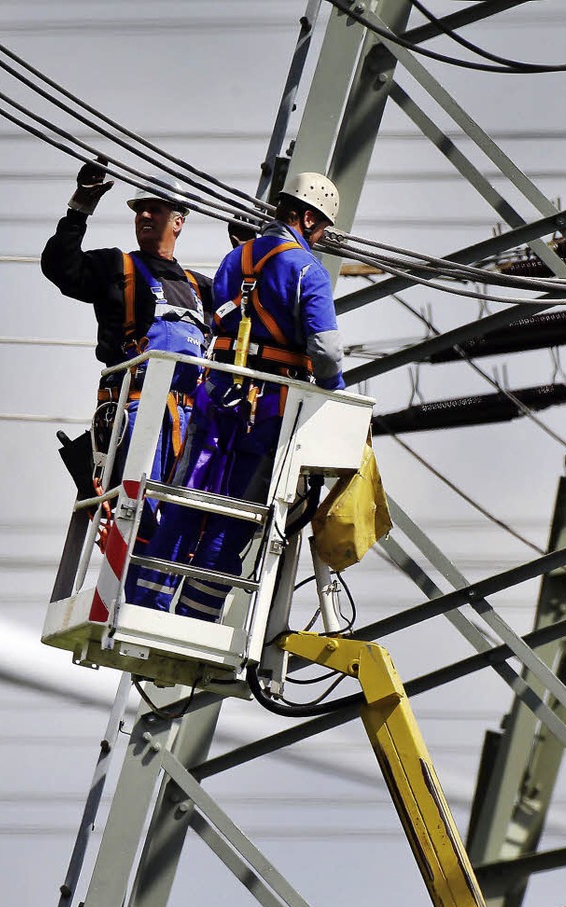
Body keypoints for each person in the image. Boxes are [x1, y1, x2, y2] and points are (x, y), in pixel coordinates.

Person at [132, 171, 345, 621]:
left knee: (188, 497)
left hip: (217, 395)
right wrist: (334, 397)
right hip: (268, 407)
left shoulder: (234, 261)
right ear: (308, 218)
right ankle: (195, 618)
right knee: (237, 513)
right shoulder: (307, 270)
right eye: (321, 228)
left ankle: (146, 604)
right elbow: (325, 352)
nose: (321, 238)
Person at [41, 160, 213, 556]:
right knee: (138, 522)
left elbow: (247, 315)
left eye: (156, 208)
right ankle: (130, 589)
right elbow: (60, 267)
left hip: (189, 420)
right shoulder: (115, 267)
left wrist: (248, 249)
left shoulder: (200, 288)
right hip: (135, 409)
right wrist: (79, 208)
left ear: (179, 221)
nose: (146, 215)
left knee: (185, 526)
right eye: (140, 209)